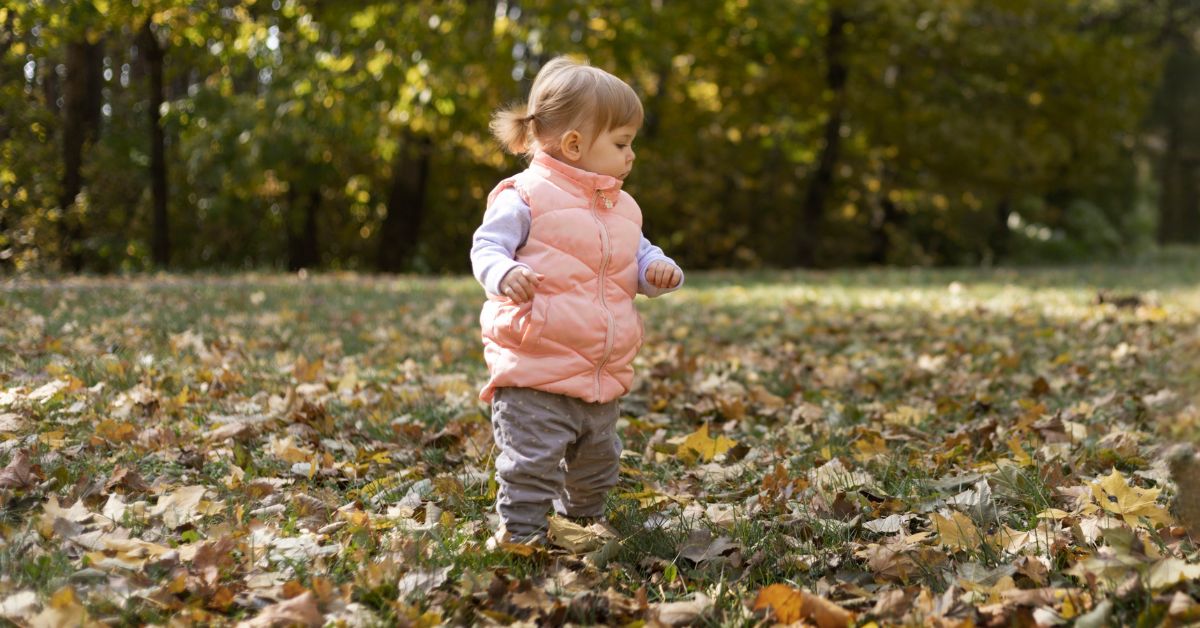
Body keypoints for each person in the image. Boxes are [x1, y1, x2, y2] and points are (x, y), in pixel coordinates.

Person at [470, 56, 684, 546]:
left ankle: (582, 524)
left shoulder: (622, 206)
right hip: (537, 365)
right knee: (532, 461)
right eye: (622, 143)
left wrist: (656, 270)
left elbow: (637, 254)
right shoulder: (524, 195)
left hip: (599, 370)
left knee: (597, 462)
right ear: (574, 145)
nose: (631, 156)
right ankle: (521, 534)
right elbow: (487, 246)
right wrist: (505, 272)